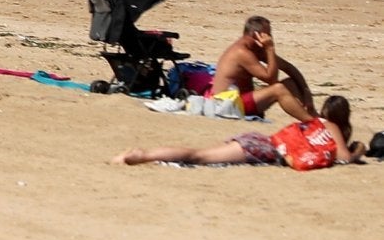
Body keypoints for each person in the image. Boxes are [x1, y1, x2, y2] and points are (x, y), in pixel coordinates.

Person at [114, 95, 360, 168]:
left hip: (260, 140)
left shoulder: (314, 122)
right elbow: (343, 157)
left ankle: (143, 155)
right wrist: (359, 149)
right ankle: (142, 155)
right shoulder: (332, 126)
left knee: (201, 155)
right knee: (198, 156)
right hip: (263, 148)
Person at [212, 17, 318, 122]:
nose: (270, 38)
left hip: (241, 100)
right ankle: (312, 123)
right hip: (229, 105)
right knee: (278, 89)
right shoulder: (241, 52)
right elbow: (271, 79)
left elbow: (289, 68)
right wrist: (270, 49)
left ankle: (312, 115)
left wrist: (308, 97)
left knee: (291, 83)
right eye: (268, 34)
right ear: (256, 35)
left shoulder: (255, 48)